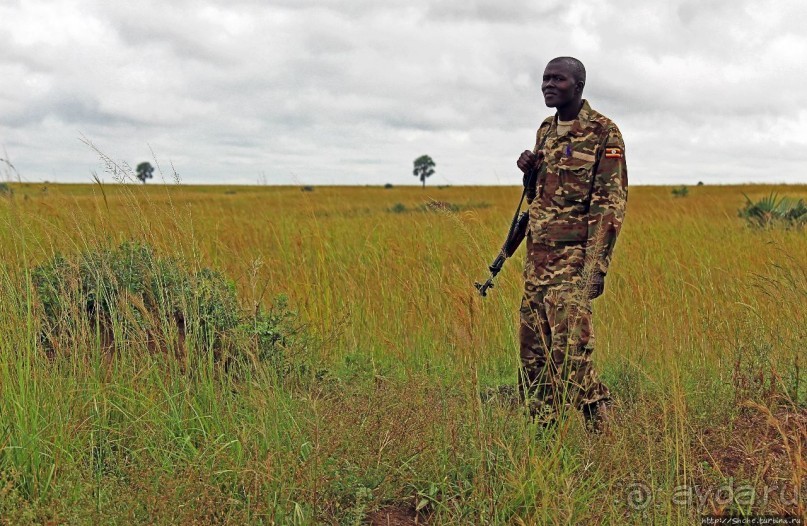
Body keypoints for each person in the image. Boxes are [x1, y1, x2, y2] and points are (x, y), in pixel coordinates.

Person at [515, 57, 628, 431]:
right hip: (537, 259)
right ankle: (542, 432)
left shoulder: (603, 132)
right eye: (545, 78)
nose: (548, 85)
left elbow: (609, 205)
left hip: (573, 261)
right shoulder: (546, 130)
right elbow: (539, 196)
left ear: (578, 86)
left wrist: (596, 267)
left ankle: (600, 419)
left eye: (558, 79)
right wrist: (528, 171)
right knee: (533, 351)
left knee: (571, 351)